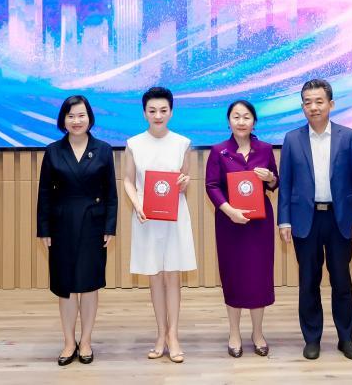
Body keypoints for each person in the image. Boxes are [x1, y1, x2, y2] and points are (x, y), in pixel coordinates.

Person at [277, 79, 352, 361]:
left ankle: (346, 338)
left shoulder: (348, 136)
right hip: (306, 220)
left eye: (319, 101)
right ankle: (312, 339)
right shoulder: (292, 139)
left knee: (342, 281)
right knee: (308, 282)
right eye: (308, 102)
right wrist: (284, 221)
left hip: (339, 220)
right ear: (302, 106)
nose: (313, 107)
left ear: (331, 104)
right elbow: (286, 183)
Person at [36, 95, 118, 366]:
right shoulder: (53, 151)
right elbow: (44, 193)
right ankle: (69, 341)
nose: (76, 121)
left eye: (81, 115)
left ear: (89, 118)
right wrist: (44, 229)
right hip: (61, 226)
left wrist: (110, 226)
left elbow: (111, 193)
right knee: (66, 286)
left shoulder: (103, 150)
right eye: (71, 116)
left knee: (89, 285)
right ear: (63, 120)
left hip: (93, 225)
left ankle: (86, 341)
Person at [122, 86, 196, 363]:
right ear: (144, 113)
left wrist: (185, 181)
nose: (158, 115)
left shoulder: (182, 143)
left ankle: (173, 335)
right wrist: (137, 204)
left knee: (173, 276)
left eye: (163, 110)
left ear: (171, 112)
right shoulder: (133, 144)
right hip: (146, 216)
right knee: (154, 276)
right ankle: (160, 334)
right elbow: (128, 180)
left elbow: (185, 178)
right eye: (152, 111)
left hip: (174, 216)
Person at [205, 100, 278, 358]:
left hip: (259, 224)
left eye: (246, 117)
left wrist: (270, 178)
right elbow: (212, 186)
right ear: (229, 121)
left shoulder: (265, 149)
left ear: (254, 121)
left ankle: (257, 333)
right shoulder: (219, 151)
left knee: (259, 276)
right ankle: (234, 333)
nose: (241, 121)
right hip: (230, 223)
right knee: (233, 275)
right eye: (236, 117)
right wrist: (229, 211)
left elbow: (274, 182)